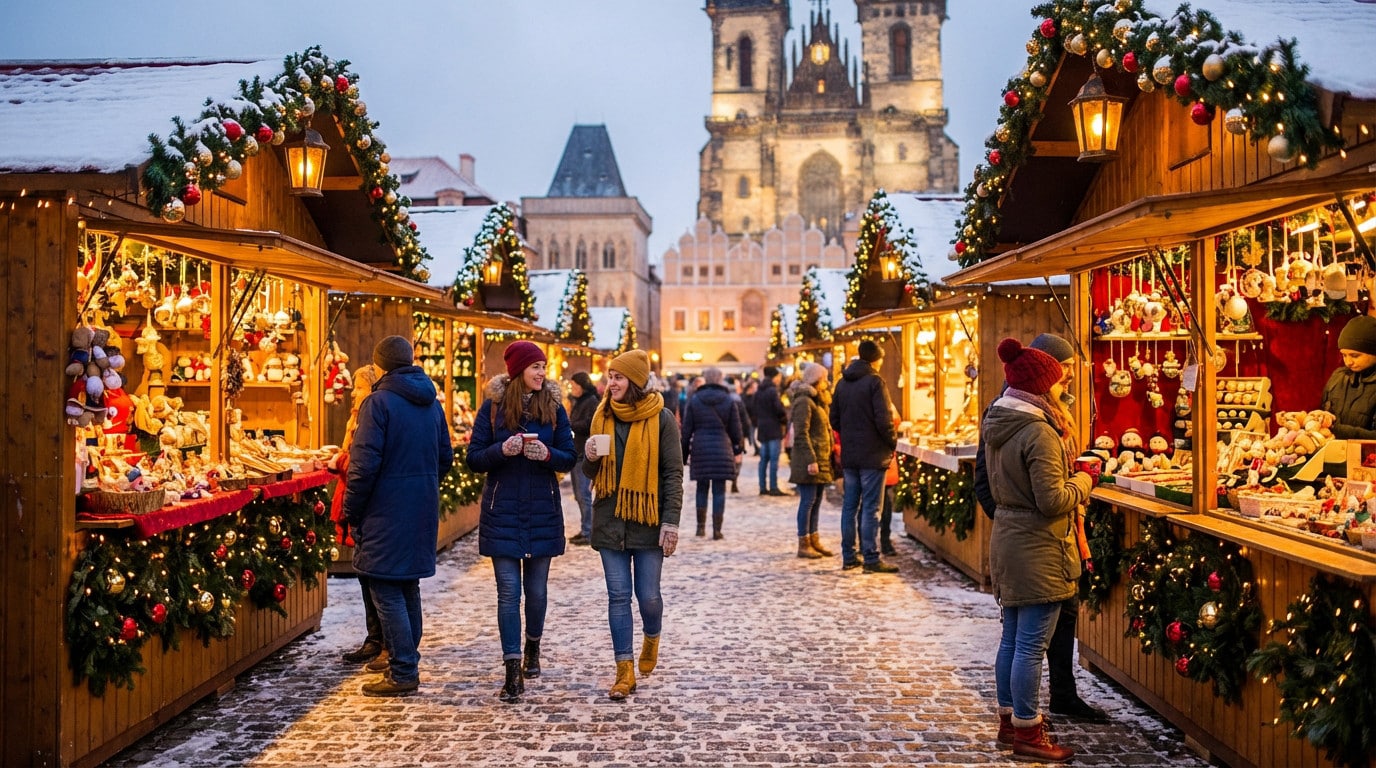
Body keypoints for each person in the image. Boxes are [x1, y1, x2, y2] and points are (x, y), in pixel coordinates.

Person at [972, 332, 1106, 724]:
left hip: (1019, 540)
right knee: (1029, 645)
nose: (1066, 381)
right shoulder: (1037, 428)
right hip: (1039, 543)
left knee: (1014, 640)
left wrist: (1010, 522)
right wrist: (1085, 481)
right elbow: (1049, 499)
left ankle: (1011, 720)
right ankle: (1027, 726)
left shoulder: (1005, 416)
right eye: (1061, 373)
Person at [465, 341, 576, 703]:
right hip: (503, 511)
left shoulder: (555, 408)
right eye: (536, 367)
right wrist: (502, 450)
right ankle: (512, 669)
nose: (542, 373)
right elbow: (474, 458)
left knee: (538, 592)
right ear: (518, 371)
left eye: (544, 367)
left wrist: (547, 454)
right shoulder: (493, 408)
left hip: (542, 509)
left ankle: (532, 648)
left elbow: (568, 458)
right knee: (508, 593)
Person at [343, 336, 454, 697]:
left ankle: (403, 670)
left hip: (383, 509)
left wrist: (351, 509)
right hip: (420, 505)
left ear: (380, 365)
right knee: (407, 586)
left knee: (386, 588)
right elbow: (445, 459)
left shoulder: (378, 403)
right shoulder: (432, 404)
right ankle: (405, 662)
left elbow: (362, 467)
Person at [582, 349, 683, 700]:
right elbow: (590, 473)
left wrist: (671, 522)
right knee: (618, 595)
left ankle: (652, 635)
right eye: (610, 376)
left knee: (648, 596)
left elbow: (673, 473)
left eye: (618, 377)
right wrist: (590, 457)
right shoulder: (601, 416)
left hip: (648, 521)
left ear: (636, 382)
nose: (611, 383)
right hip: (609, 520)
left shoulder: (662, 419)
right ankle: (624, 671)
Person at [329, 364, 390, 669]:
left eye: (360, 387)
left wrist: (338, 460)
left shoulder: (374, 417)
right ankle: (375, 639)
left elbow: (364, 463)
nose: (354, 393)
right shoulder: (358, 417)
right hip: (357, 504)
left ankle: (388, 646)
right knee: (365, 576)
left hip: (369, 508)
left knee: (376, 579)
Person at [829, 340, 899, 573]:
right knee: (871, 508)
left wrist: (849, 437)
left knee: (850, 506)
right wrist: (891, 442)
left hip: (851, 456)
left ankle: (849, 556)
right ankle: (870, 557)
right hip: (873, 455)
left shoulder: (842, 383)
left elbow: (834, 419)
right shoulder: (875, 382)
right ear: (875, 359)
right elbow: (884, 419)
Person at [681, 366, 744, 539]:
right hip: (722, 448)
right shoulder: (728, 399)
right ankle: (717, 530)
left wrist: (684, 454)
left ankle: (700, 527)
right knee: (719, 490)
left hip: (701, 448)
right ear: (719, 379)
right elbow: (736, 428)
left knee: (701, 489)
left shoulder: (694, 400)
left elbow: (686, 430)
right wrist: (738, 448)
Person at [787, 362, 835, 559]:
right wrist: (810, 459)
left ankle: (814, 540)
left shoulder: (817, 400)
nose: (826, 383)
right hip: (811, 459)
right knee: (807, 502)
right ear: (816, 379)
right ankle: (803, 542)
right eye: (824, 379)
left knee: (815, 502)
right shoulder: (804, 401)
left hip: (821, 457)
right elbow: (801, 433)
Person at [1323, 315, 1376, 439]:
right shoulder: (1338, 377)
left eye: (1355, 355)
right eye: (1344, 355)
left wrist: (1336, 429)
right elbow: (1325, 412)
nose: (1348, 362)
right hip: (1334, 454)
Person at [566, 371, 599, 546]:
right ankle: (585, 528)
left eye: (574, 385)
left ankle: (589, 531)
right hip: (577, 451)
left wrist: (569, 425)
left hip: (583, 453)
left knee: (584, 494)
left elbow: (589, 425)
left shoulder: (591, 401)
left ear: (582, 386)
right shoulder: (579, 401)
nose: (572, 388)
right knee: (579, 495)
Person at [753, 365, 788, 495]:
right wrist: (784, 419)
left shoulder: (759, 391)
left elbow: (753, 409)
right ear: (774, 377)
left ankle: (762, 487)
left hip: (763, 428)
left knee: (763, 460)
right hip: (773, 428)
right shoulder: (773, 391)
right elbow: (778, 409)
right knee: (774, 459)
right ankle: (773, 487)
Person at [727, 377, 752, 493]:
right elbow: (746, 420)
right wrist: (745, 435)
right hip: (738, 434)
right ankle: (734, 481)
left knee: (727, 458)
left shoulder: (724, 401)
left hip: (725, 436)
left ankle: (726, 478)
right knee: (738, 459)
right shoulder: (739, 401)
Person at [741, 378, 760, 455]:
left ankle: (757, 449)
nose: (756, 389)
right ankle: (756, 449)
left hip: (756, 419)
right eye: (755, 387)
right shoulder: (744, 397)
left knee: (754, 435)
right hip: (749, 420)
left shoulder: (756, 396)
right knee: (752, 436)